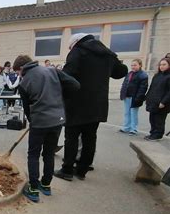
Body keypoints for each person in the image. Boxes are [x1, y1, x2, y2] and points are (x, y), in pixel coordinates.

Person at [54, 33, 128, 181]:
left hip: (76, 103)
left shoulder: (78, 52)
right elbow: (121, 71)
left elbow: (67, 76)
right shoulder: (107, 54)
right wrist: (115, 60)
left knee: (72, 137)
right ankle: (82, 170)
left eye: (70, 46)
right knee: (90, 137)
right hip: (97, 104)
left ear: (75, 42)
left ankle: (67, 170)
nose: (70, 49)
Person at [14, 55, 80, 202]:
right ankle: (46, 184)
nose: (19, 75)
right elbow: (75, 85)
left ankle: (33, 189)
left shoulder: (24, 83)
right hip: (57, 120)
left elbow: (27, 109)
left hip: (39, 122)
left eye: (18, 72)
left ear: (21, 68)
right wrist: (59, 100)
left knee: (33, 155)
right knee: (49, 153)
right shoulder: (52, 71)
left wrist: (33, 121)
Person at [119, 59, 148, 135]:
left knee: (133, 113)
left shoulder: (143, 75)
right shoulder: (129, 73)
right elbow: (124, 84)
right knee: (126, 113)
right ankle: (126, 127)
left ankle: (133, 129)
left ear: (140, 65)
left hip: (135, 98)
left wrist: (138, 98)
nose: (133, 67)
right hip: (127, 96)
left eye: (135, 65)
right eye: (132, 65)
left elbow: (143, 88)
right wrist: (122, 93)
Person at [144, 57, 170, 141]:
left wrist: (163, 102)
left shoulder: (169, 77)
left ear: (169, 65)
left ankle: (158, 135)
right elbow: (151, 88)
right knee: (152, 119)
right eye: (160, 65)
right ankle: (152, 133)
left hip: (162, 103)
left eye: (164, 65)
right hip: (153, 101)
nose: (161, 66)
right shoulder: (157, 76)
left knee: (159, 120)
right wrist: (147, 97)